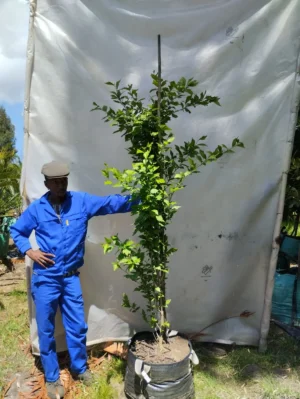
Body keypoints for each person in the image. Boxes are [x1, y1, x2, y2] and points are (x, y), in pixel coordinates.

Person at [10, 161, 137, 399]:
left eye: (64, 180)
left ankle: (79, 369)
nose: (61, 185)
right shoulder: (37, 209)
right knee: (46, 330)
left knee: (77, 327)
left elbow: (110, 203)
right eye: (56, 181)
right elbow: (17, 231)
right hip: (45, 278)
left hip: (70, 279)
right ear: (46, 183)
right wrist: (30, 251)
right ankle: (51, 377)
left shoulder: (80, 202)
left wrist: (143, 199)